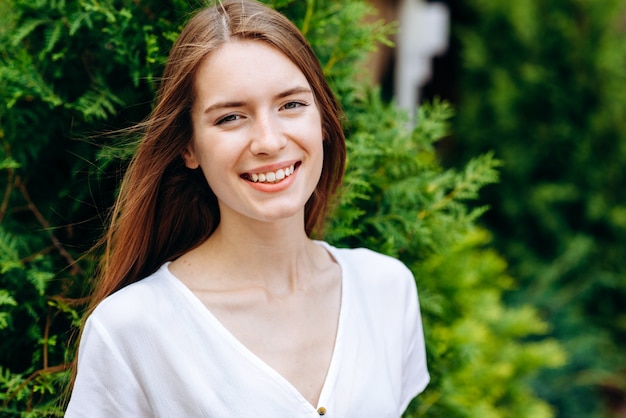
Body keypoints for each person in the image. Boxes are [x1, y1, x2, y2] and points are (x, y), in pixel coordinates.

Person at [65, 0, 429, 416]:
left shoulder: (387, 289)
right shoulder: (131, 330)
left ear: (323, 119)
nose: (269, 141)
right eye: (231, 118)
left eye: (291, 105)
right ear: (188, 146)